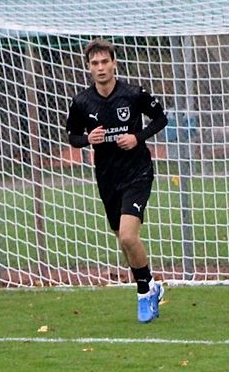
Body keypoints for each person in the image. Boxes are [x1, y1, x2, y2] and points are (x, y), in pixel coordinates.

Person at [66, 38, 167, 323]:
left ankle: (144, 293)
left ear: (114, 64)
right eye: (94, 63)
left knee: (128, 235)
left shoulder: (134, 94)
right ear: (89, 68)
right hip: (107, 177)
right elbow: (72, 136)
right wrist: (88, 139)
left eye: (104, 62)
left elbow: (160, 119)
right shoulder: (82, 102)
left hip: (137, 172)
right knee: (124, 242)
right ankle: (152, 284)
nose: (100, 68)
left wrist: (138, 137)